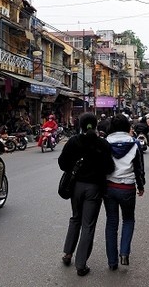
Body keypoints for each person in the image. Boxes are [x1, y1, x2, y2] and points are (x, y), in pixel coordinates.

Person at [58, 112, 115, 277]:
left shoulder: (73, 141)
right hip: (94, 188)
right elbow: (109, 168)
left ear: (80, 125)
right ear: (96, 126)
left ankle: (68, 254)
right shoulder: (102, 144)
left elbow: (62, 164)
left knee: (75, 218)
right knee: (88, 225)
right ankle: (81, 265)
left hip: (75, 187)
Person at [104, 115, 145, 270]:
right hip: (127, 188)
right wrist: (141, 186)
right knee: (128, 220)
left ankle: (112, 262)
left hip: (109, 188)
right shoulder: (134, 144)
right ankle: (124, 253)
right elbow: (139, 168)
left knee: (111, 222)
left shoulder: (105, 143)